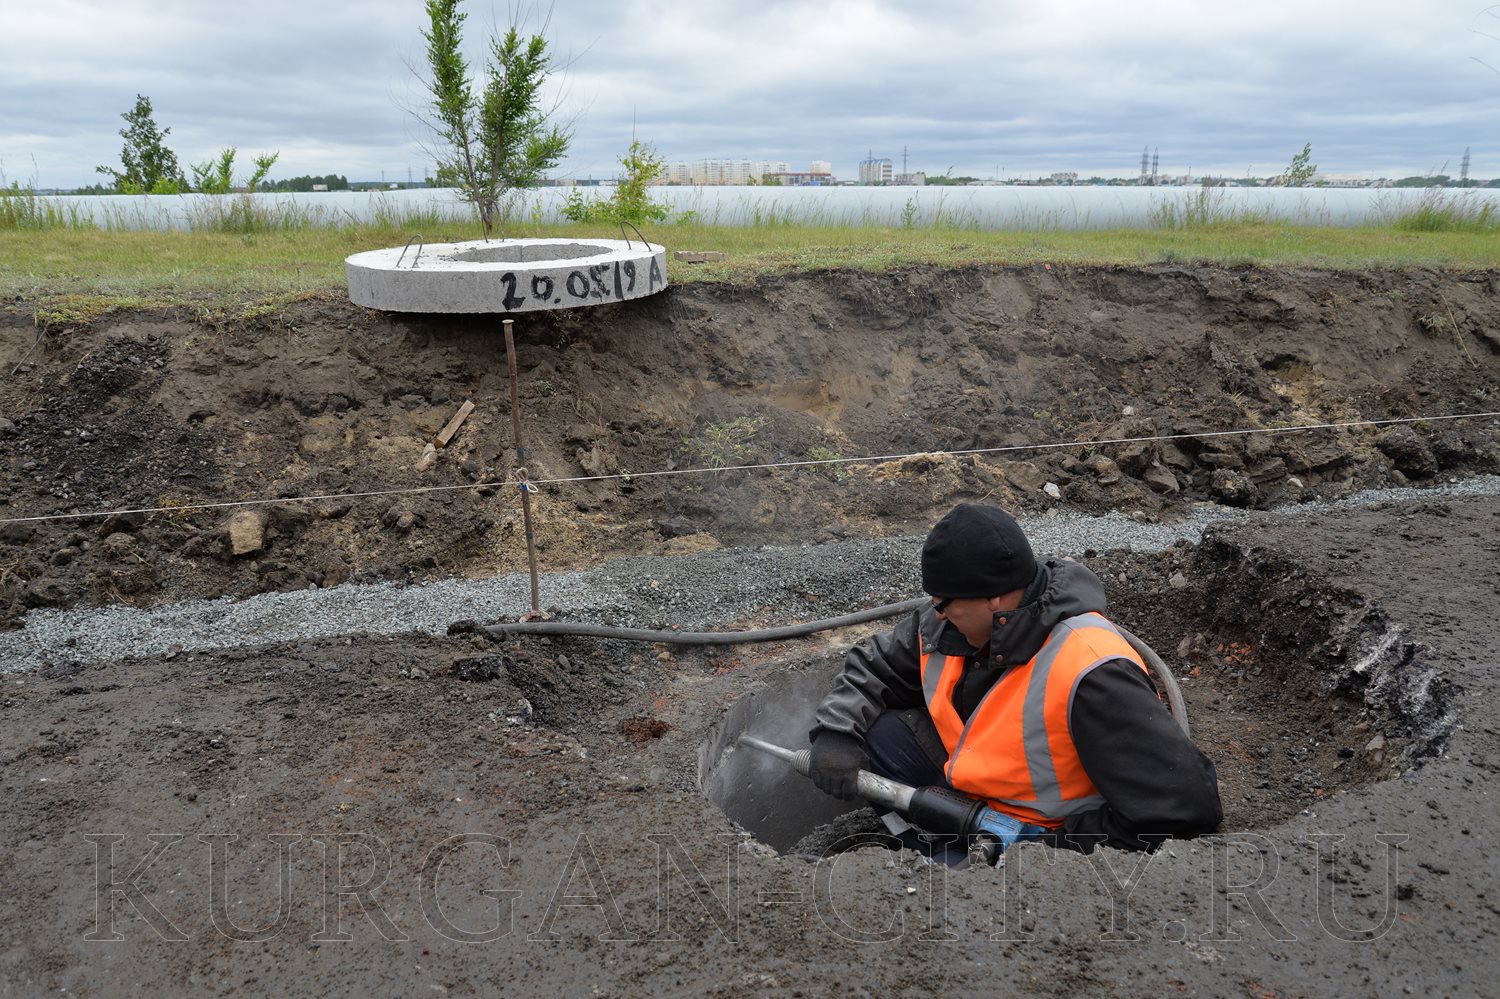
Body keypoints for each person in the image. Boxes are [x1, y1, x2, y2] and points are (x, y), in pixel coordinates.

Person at [808, 502, 1222, 855]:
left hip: (1044, 832)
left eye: (944, 603)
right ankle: (929, 856)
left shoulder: (1093, 670)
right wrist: (837, 731)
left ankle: (968, 870)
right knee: (882, 734)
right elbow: (875, 665)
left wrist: (1048, 850)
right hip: (973, 799)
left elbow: (1183, 808)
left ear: (994, 596)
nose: (935, 613)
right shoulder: (947, 625)